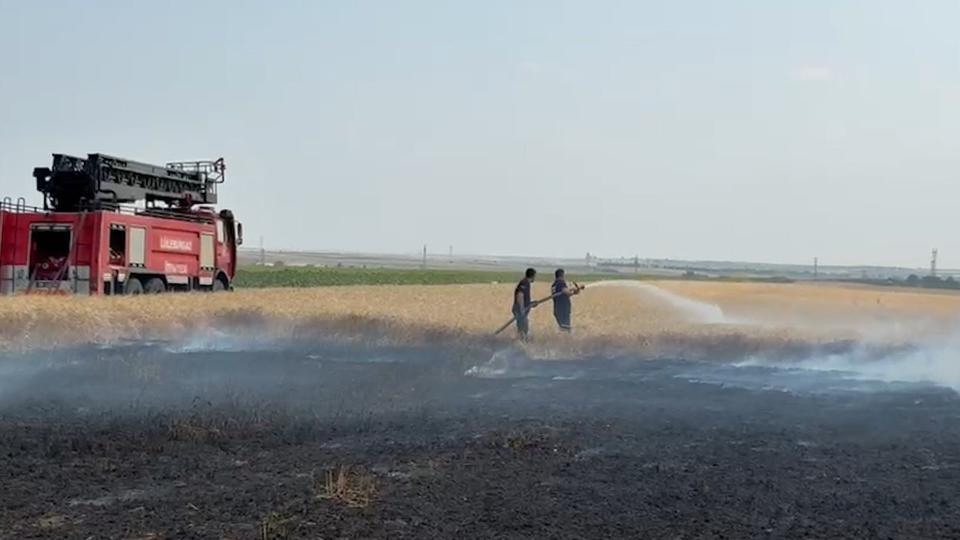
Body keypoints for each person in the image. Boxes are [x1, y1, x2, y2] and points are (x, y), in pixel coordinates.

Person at [513, 268, 538, 338]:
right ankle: (521, 343)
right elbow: (520, 295)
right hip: (519, 310)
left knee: (523, 328)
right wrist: (522, 310)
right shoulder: (525, 283)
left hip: (521, 309)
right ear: (533, 276)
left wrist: (531, 304)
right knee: (523, 328)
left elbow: (524, 299)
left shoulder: (526, 283)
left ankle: (521, 342)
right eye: (535, 276)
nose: (535, 278)